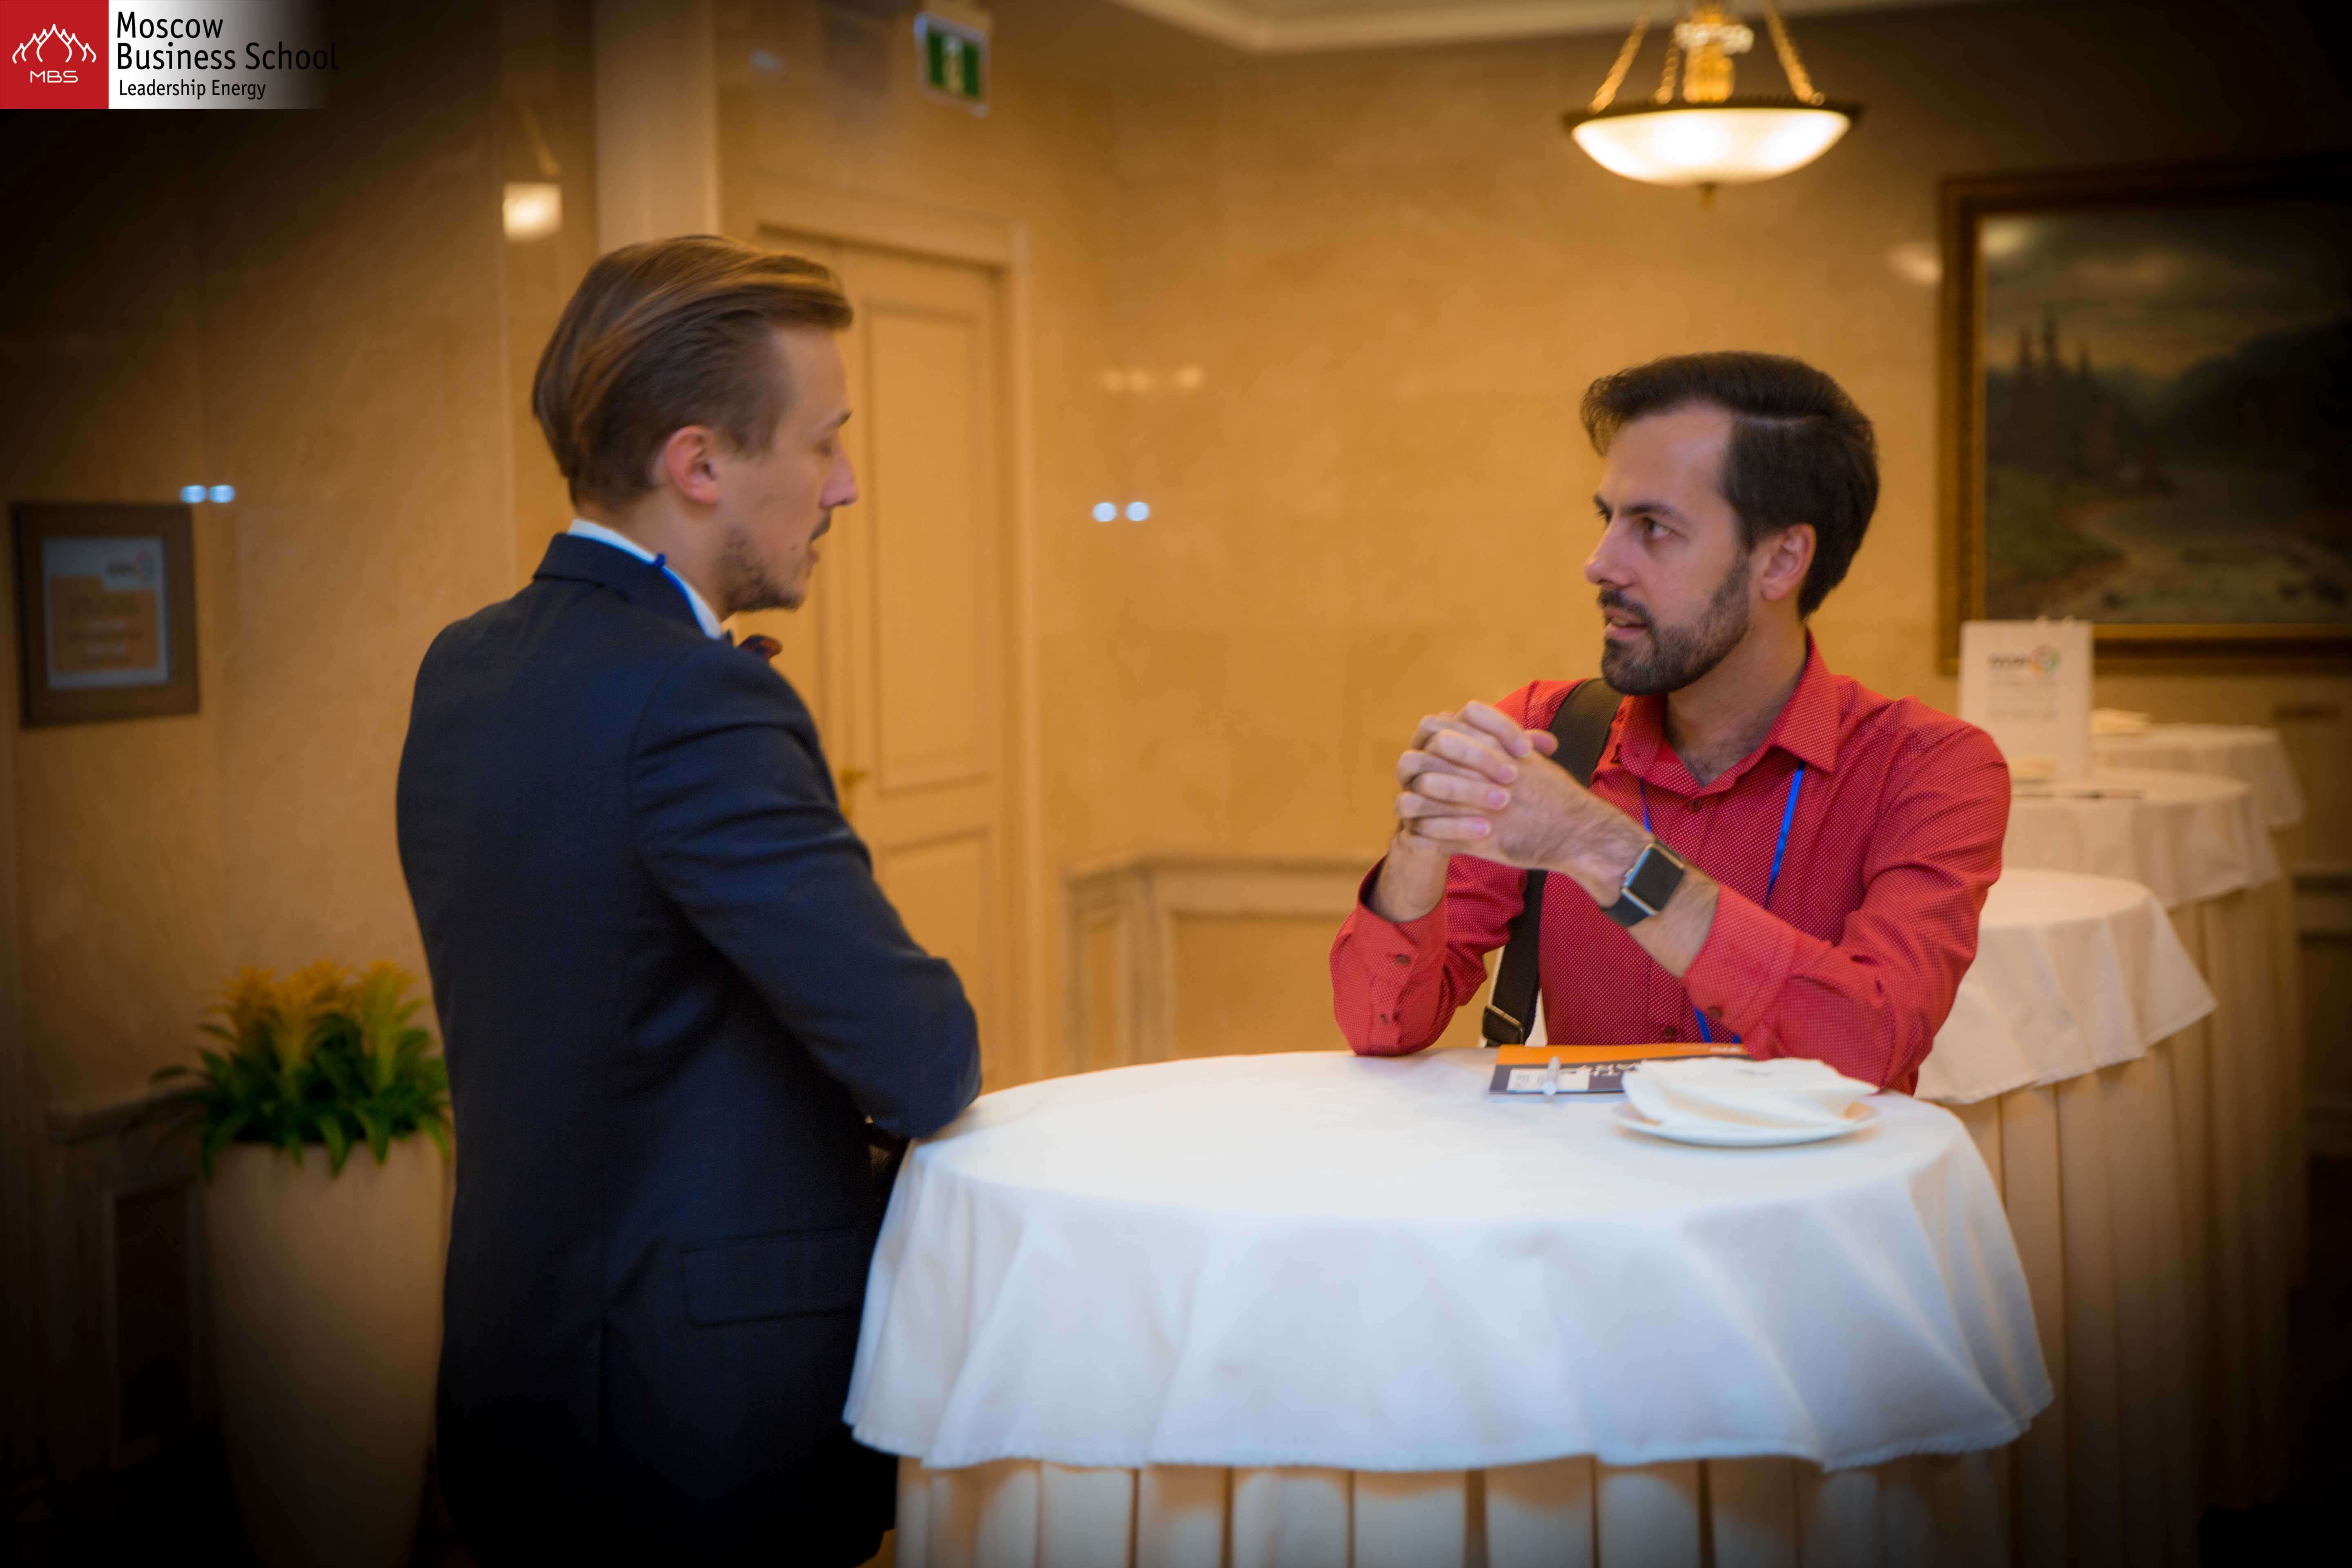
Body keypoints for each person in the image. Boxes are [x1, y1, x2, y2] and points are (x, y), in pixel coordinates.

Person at [396, 236, 980, 1564]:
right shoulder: (697, 700)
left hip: (522, 1370)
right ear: (700, 464)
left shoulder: (466, 665)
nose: (846, 483)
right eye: (824, 441)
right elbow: (923, 1055)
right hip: (693, 1425)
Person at [1329, 352, 2007, 1094]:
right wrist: (1418, 850)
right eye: (1609, 519)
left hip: (1800, 1173)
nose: (1599, 564)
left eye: (1652, 527)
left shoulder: (1929, 769)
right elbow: (1379, 1029)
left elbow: (1872, 1040)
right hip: (1585, 1171)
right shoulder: (1547, 736)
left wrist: (1600, 848)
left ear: (1782, 561)